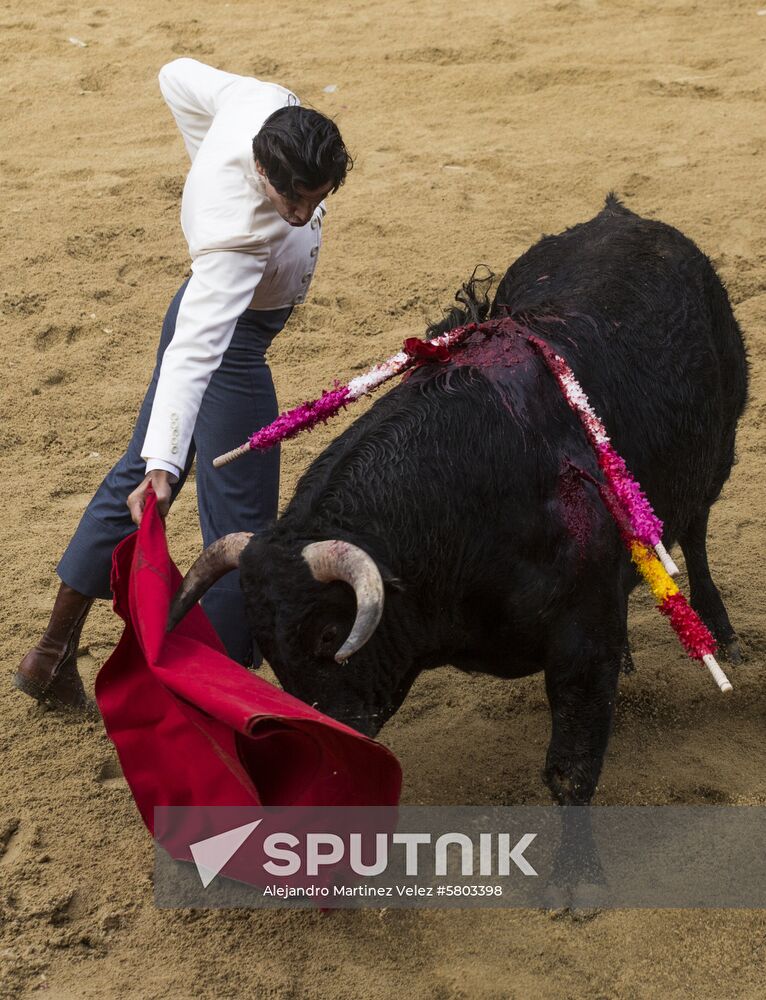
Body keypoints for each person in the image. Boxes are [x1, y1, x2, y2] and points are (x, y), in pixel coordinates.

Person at [15, 58, 352, 708]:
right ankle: (213, 705)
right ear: (262, 171)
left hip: (210, 325)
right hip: (229, 346)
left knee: (132, 479)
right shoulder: (234, 241)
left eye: (319, 197)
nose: (306, 214)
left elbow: (173, 75)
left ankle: (51, 653)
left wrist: (204, 160)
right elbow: (197, 351)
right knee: (240, 532)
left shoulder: (265, 100)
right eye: (294, 202)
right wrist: (168, 465)